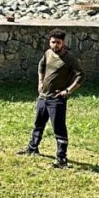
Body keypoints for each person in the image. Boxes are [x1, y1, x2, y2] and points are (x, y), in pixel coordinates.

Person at [17, 28, 85, 169]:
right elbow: (41, 66)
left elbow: (81, 75)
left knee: (59, 128)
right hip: (43, 97)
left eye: (58, 43)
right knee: (38, 124)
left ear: (63, 43)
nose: (55, 45)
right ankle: (32, 147)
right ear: (49, 42)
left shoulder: (69, 58)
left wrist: (68, 90)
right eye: (53, 42)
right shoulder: (48, 53)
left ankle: (61, 159)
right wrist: (40, 82)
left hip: (57, 99)